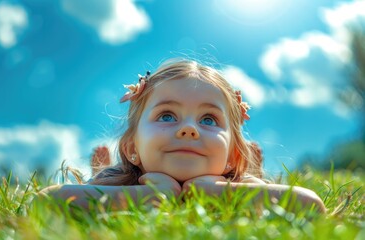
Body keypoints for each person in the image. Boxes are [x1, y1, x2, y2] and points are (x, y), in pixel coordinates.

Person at [40, 58, 326, 213]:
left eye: (208, 119)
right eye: (167, 116)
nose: (188, 129)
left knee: (256, 182)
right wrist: (150, 196)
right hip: (122, 178)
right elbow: (45, 202)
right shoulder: (120, 179)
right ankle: (96, 173)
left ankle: (255, 170)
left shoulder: (235, 182)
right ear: (131, 149)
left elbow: (311, 205)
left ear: (231, 156)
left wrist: (218, 192)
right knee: (101, 180)